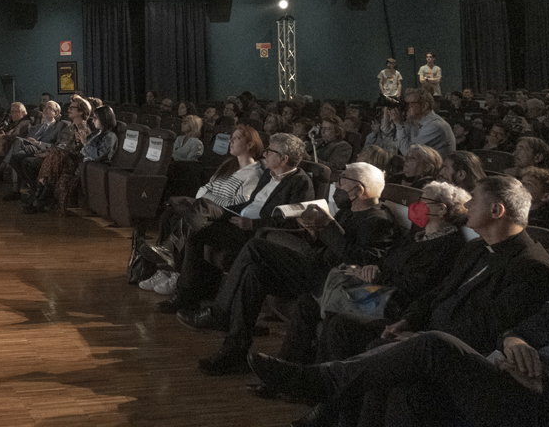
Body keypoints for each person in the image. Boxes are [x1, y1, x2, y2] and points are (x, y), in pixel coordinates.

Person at [248, 218, 549, 427]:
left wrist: (539, 380)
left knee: (431, 345)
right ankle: (331, 405)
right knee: (401, 377)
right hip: (498, 365)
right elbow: (522, 327)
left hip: (548, 399)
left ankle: (323, 381)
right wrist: (515, 343)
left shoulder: (528, 265)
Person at [180, 162, 398, 375]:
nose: (337, 185)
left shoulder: (378, 220)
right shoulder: (349, 211)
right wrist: (314, 231)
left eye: (342, 181)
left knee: (256, 247)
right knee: (254, 272)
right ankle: (235, 349)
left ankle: (220, 313)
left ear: (359, 189)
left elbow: (360, 259)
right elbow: (329, 245)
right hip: (315, 269)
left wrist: (327, 226)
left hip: (330, 281)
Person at [273, 181, 470, 367]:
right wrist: (374, 269)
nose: (416, 205)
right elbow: (388, 261)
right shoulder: (418, 235)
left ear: (441, 209)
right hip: (377, 289)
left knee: (337, 322)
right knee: (308, 302)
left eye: (423, 201)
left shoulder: (448, 246)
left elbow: (419, 284)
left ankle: (322, 384)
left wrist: (380, 277)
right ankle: (286, 369)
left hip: (394, 303)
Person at [155, 133, 314, 316]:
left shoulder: (300, 183)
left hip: (254, 233)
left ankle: (180, 280)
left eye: (270, 151)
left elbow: (293, 220)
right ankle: (184, 288)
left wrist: (254, 224)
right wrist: (226, 209)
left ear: (284, 159)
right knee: (199, 210)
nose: (265, 154)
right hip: (238, 216)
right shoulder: (268, 175)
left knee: (196, 227)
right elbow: (251, 203)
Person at [141, 124, 264, 295]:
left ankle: (175, 266)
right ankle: (165, 269)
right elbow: (203, 189)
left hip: (225, 215)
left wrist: (210, 198)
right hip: (208, 209)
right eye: (231, 137)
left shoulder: (254, 174)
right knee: (171, 213)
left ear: (250, 145)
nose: (231, 141)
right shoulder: (228, 165)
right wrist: (209, 197)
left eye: (236, 138)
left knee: (201, 206)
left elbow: (238, 202)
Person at [23, 96, 93, 214]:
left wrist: (50, 153)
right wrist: (47, 152)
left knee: (53, 158)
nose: (69, 109)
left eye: (72, 108)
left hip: (71, 161)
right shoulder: (70, 126)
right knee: (47, 159)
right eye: (69, 107)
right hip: (59, 157)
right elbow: (59, 145)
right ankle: (39, 199)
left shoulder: (83, 129)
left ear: (81, 111)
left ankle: (38, 198)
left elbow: (78, 151)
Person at [2, 100, 64, 201]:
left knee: (18, 146)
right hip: (28, 147)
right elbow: (27, 139)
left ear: (56, 113)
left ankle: (14, 187)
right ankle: (29, 187)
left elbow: (56, 145)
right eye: (44, 107)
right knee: (16, 156)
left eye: (49, 108)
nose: (45, 109)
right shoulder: (36, 127)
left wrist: (37, 143)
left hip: (41, 148)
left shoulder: (58, 126)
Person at [369, 88, 455, 157]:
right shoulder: (414, 122)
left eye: (409, 104)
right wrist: (389, 111)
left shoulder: (435, 126)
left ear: (424, 106)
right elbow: (387, 131)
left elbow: (407, 151)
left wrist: (399, 124)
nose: (406, 108)